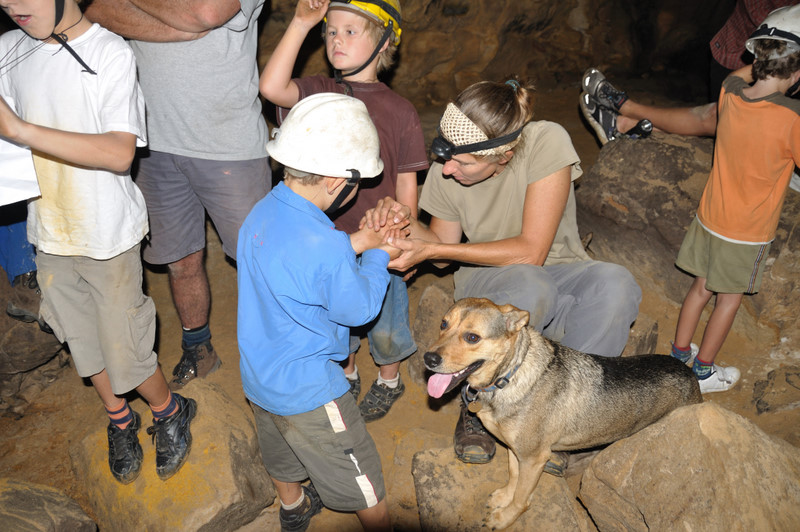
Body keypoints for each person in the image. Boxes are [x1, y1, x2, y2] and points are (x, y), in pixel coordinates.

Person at [363, 78, 642, 466]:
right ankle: (479, 400)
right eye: (447, 156)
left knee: (617, 285)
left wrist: (433, 247)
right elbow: (443, 255)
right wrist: (404, 221)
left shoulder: (546, 141)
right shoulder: (450, 169)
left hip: (557, 269)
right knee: (532, 283)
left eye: (465, 162)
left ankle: (572, 417)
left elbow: (532, 250)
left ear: (504, 156)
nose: (447, 169)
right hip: (486, 281)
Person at [0, 0, 195, 483]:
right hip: (49, 229)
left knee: (125, 350)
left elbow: (119, 151)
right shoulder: (8, 50)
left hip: (107, 234)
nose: (11, 4)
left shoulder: (110, 52)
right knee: (83, 343)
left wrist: (21, 129)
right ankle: (119, 418)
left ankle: (169, 409)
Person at [84, 0, 271, 390]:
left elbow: (204, 14)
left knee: (263, 263)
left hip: (230, 145)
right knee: (180, 261)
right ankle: (198, 349)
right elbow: (97, 12)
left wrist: (159, 17)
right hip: (153, 143)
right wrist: (179, 26)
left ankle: (278, 357)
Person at [238, 93, 400, 532]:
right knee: (361, 475)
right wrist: (379, 255)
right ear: (334, 181)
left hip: (260, 377)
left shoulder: (260, 213)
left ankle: (292, 508)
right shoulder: (324, 245)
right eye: (356, 185)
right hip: (310, 391)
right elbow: (360, 309)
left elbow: (297, 265)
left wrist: (357, 243)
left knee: (280, 451)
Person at [260, 0, 428, 422]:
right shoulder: (317, 92)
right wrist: (301, 24)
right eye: (332, 31)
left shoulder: (401, 110)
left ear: (385, 42)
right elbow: (272, 88)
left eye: (351, 31)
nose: (337, 39)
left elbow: (407, 180)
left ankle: (389, 377)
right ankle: (348, 374)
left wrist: (401, 233)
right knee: (335, 321)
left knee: (386, 320)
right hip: (327, 237)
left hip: (379, 240)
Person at [669, 5, 800, 394]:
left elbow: (737, 74)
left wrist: (761, 61)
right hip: (746, 233)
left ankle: (678, 355)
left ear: (757, 57)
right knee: (728, 300)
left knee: (700, 289)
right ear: (796, 73)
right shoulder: (793, 118)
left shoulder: (729, 92)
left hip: (710, 218)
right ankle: (703, 371)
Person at [580, 0, 795, 143]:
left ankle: (626, 120)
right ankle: (626, 117)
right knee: (720, 117)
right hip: (751, 47)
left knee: (733, 127)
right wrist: (776, 64)